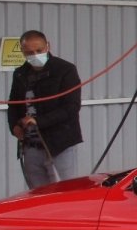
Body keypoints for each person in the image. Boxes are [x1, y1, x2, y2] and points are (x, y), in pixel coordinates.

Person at [8, 30, 83, 188]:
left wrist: (38, 121)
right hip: (31, 145)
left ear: (47, 46)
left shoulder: (65, 69)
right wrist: (14, 125)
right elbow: (13, 104)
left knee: (67, 190)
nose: (34, 55)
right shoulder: (20, 74)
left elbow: (71, 107)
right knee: (38, 193)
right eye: (29, 52)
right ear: (22, 51)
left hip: (60, 143)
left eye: (39, 50)